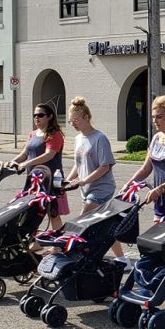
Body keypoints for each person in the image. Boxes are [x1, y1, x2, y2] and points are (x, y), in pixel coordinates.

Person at [64, 97, 125, 265]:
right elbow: (79, 164)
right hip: (87, 188)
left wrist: (83, 181)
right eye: (70, 121)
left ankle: (71, 254)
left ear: (86, 117)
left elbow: (105, 166)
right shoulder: (78, 139)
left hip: (101, 189)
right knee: (104, 225)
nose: (73, 124)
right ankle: (122, 258)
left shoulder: (100, 138)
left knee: (82, 221)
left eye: (75, 120)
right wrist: (67, 181)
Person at [7, 102, 69, 230]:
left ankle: (56, 244)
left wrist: (26, 164)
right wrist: (13, 161)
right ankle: (35, 242)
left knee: (53, 213)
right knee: (33, 212)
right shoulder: (33, 134)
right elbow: (25, 153)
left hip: (50, 179)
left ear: (50, 117)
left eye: (40, 115)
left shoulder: (55, 135)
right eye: (34, 115)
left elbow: (49, 155)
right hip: (34, 180)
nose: (37, 118)